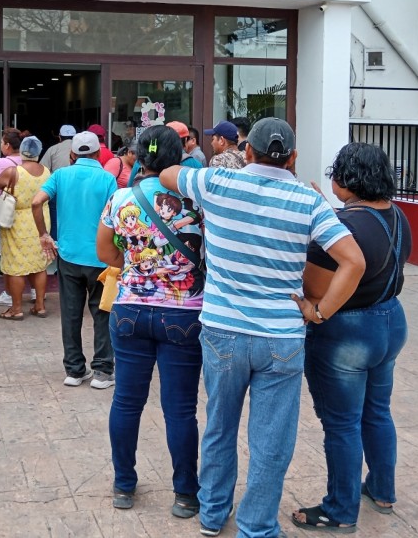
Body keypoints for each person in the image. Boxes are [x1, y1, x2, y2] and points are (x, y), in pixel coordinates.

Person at [160, 118, 365, 538]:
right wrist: (319, 311)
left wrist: (207, 173)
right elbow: (354, 262)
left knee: (219, 426)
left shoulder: (217, 183)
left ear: (247, 152)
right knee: (271, 440)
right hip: (282, 338)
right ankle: (256, 526)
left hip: (222, 332)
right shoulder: (308, 201)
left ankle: (213, 515)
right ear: (292, 158)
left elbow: (167, 174)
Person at [290, 143, 411, 533]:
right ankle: (382, 489)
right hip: (390, 321)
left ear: (347, 178)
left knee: (341, 424)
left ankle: (340, 509)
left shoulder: (343, 229)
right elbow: (368, 244)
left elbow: (314, 286)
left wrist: (317, 312)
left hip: (348, 331)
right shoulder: (397, 215)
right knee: (377, 411)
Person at [96, 124, 205, 518]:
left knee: (126, 401)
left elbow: (104, 249)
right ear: (181, 156)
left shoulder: (121, 198)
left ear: (140, 155)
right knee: (180, 410)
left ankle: (124, 485)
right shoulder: (196, 199)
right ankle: (185, 494)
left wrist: (137, 267)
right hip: (185, 315)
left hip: (129, 311)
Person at [32, 131, 118, 388]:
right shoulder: (107, 179)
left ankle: (74, 370)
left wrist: (43, 235)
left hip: (67, 255)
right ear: (98, 154)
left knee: (71, 313)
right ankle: (102, 371)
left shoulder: (60, 175)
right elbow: (114, 216)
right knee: (102, 312)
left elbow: (37, 202)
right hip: (101, 257)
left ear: (72, 154)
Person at [0, 136, 51, 320]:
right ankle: (40, 306)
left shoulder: (13, 171)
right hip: (40, 218)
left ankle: (16, 309)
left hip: (16, 219)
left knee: (16, 265)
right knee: (39, 264)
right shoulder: (46, 171)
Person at [0, 129, 27, 305]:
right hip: (24, 213)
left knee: (5, 255)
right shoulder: (29, 162)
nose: (1, 146)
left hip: (3, 211)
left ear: (8, 145)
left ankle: (9, 294)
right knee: (25, 252)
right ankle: (34, 292)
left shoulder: (1, 162)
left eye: (2, 143)